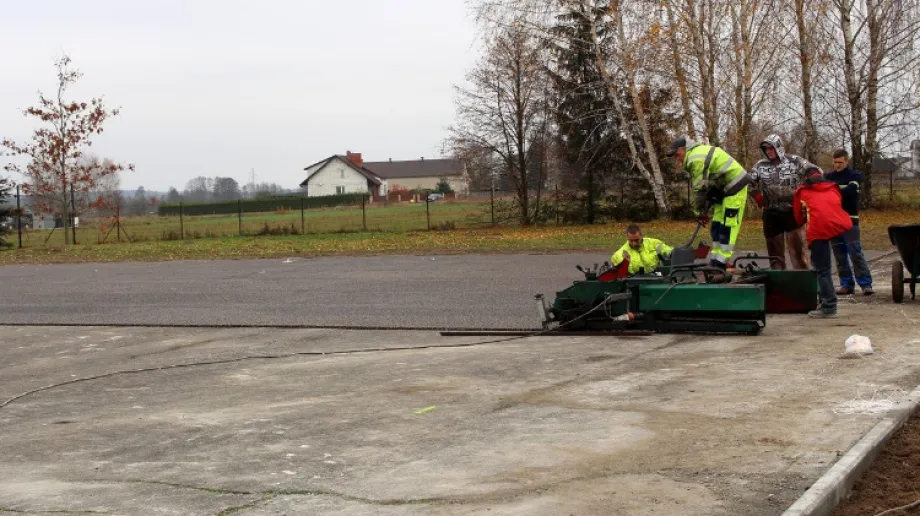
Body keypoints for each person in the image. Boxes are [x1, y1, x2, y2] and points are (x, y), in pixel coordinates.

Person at [667, 136, 753, 280]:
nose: (677, 159)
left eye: (677, 155)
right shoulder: (694, 156)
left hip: (735, 187)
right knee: (717, 225)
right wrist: (703, 210)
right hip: (723, 189)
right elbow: (705, 187)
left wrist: (699, 213)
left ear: (684, 149)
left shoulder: (696, 158)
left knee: (727, 226)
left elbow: (699, 191)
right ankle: (716, 259)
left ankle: (721, 262)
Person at [793, 165, 853, 319]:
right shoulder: (833, 188)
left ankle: (828, 307)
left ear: (806, 178)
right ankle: (844, 286)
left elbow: (798, 218)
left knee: (822, 270)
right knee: (842, 258)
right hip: (838, 226)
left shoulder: (802, 191)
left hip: (817, 231)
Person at [750, 134, 809, 270]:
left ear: (778, 147)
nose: (769, 151)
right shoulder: (760, 165)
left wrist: (806, 193)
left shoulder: (795, 161)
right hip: (771, 213)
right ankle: (779, 283)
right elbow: (749, 182)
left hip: (792, 212)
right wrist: (757, 196)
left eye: (771, 148)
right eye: (766, 149)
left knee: (797, 252)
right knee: (775, 255)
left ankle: (802, 282)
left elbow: (815, 172)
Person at [825, 149, 874, 295]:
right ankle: (846, 284)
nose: (837, 165)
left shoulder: (855, 175)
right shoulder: (828, 176)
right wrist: (838, 189)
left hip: (850, 220)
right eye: (835, 162)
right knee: (839, 254)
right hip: (833, 220)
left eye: (840, 162)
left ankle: (865, 283)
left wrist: (833, 190)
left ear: (847, 161)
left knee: (855, 252)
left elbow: (851, 191)